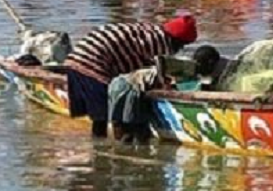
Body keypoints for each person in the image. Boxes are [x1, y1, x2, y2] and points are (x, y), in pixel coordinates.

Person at [64, 13, 198, 138]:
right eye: (183, 45)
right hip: (92, 61)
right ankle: (101, 150)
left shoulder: (152, 31)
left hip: (79, 56)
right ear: (178, 41)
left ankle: (100, 146)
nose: (181, 49)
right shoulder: (161, 43)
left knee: (101, 114)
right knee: (103, 115)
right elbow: (150, 73)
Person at [107, 44, 222, 144]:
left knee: (121, 124)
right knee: (133, 128)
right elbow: (160, 60)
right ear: (209, 63)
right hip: (130, 86)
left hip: (122, 83)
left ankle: (121, 152)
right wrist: (163, 83)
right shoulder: (189, 66)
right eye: (213, 66)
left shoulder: (192, 72)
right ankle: (128, 155)